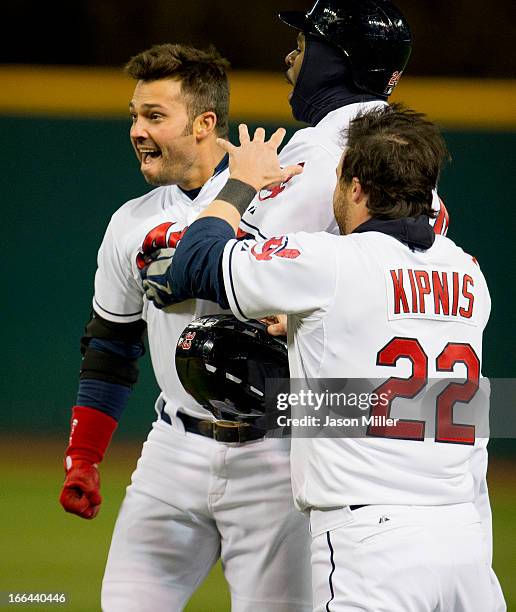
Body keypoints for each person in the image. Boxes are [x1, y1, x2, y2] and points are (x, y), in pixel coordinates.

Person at [148, 104, 506, 611]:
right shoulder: (468, 273)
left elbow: (195, 261)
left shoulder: (329, 260)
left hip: (372, 545)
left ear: (356, 187)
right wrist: (304, 328)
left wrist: (242, 180)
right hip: (464, 540)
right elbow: (410, 397)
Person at [58, 43, 312, 611]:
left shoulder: (286, 203)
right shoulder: (132, 222)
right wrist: (85, 456)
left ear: (204, 124)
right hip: (173, 448)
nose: (137, 130)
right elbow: (111, 344)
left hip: (275, 455)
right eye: (134, 115)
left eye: (154, 116)